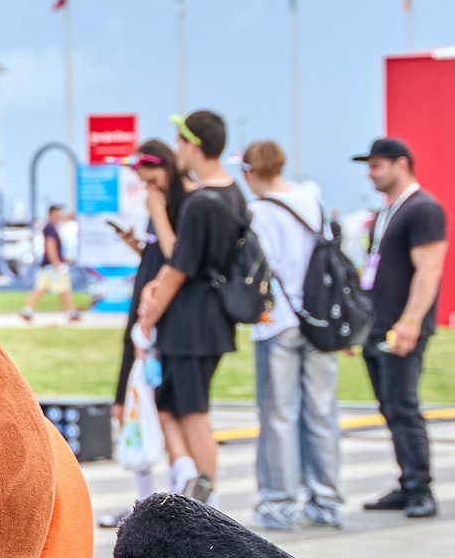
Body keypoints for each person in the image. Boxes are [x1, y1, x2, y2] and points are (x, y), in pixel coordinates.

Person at [133, 109, 248, 506]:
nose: (177, 149)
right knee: (172, 403)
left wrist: (149, 313)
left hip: (190, 319)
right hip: (213, 317)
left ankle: (205, 498)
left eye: (181, 142)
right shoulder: (234, 194)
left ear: (193, 145)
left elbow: (178, 267)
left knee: (193, 411)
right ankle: (192, 484)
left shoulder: (200, 203)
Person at [243, 139, 343, 530]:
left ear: (251, 172)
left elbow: (258, 269)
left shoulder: (258, 212)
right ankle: (326, 501)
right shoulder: (311, 201)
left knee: (278, 415)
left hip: (277, 321)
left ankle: (279, 503)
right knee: (322, 412)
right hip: (318, 321)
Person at [356, 136, 448, 517]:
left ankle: (421, 488)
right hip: (377, 325)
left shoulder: (423, 209)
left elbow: (430, 269)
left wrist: (411, 321)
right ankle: (407, 481)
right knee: (389, 406)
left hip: (401, 326)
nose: (370, 173)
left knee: (404, 405)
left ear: (401, 164)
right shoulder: (385, 212)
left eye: (377, 165)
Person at [101, 141, 179, 528]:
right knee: (131, 412)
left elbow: (178, 258)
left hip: (161, 324)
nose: (145, 186)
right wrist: (138, 245)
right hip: (142, 319)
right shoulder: (157, 210)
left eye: (149, 177)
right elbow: (162, 257)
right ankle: (143, 505)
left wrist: (159, 214)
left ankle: (174, 507)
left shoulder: (174, 207)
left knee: (163, 414)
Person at [18, 203, 77, 323]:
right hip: (51, 265)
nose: (60, 215)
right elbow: (50, 246)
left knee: (41, 288)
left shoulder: (52, 227)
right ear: (52, 214)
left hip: (48, 264)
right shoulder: (50, 227)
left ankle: (27, 310)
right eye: (58, 213)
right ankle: (71, 313)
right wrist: (57, 263)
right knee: (63, 288)